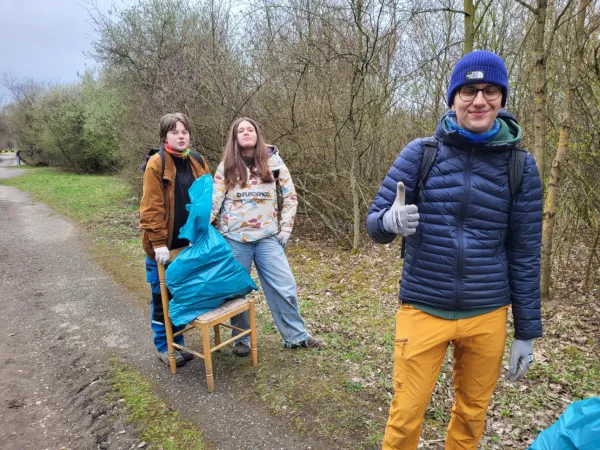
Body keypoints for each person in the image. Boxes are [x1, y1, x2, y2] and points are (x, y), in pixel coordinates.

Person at [366, 50, 543, 449]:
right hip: (423, 307)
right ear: (453, 98)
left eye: (490, 90)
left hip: (487, 313)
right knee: (405, 417)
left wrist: (527, 331)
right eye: (469, 90)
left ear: (501, 98)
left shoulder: (521, 166)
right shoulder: (421, 153)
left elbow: (525, 253)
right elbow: (374, 224)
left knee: (471, 416)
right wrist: (389, 222)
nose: (479, 100)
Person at [211, 117, 324, 356]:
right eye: (241, 130)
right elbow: (214, 202)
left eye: (250, 129)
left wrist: (285, 230)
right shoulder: (226, 166)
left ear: (257, 134)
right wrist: (203, 232)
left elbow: (290, 197)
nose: (246, 133)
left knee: (285, 285)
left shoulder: (274, 162)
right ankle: (241, 340)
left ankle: (296, 337)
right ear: (235, 137)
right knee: (237, 291)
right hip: (234, 238)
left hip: (268, 238)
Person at [140, 112, 211, 367]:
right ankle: (164, 346)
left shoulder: (197, 161)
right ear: (164, 137)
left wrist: (202, 232)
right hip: (164, 248)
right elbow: (151, 207)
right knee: (162, 297)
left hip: (189, 245)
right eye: (174, 132)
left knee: (182, 295)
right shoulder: (156, 164)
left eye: (184, 132)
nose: (181, 136)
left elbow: (206, 198)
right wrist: (158, 243)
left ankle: (177, 342)